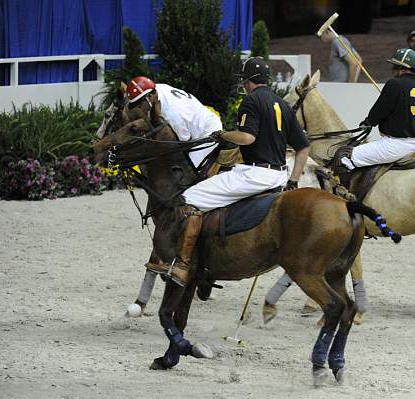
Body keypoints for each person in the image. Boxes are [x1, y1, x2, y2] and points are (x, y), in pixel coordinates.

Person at [129, 57, 311, 287]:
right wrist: (293, 181)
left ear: (250, 81)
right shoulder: (282, 104)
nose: (243, 85)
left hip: (254, 175)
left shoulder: (251, 101)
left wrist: (224, 135)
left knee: (189, 197)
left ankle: (183, 265)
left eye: (244, 80)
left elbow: (247, 138)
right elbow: (304, 148)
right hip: (280, 175)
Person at [340, 48, 415, 170]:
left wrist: (367, 122)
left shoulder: (394, 84)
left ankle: (340, 189)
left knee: (344, 156)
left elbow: (378, 113)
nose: (392, 70)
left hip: (394, 146)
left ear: (404, 68)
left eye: (395, 66)